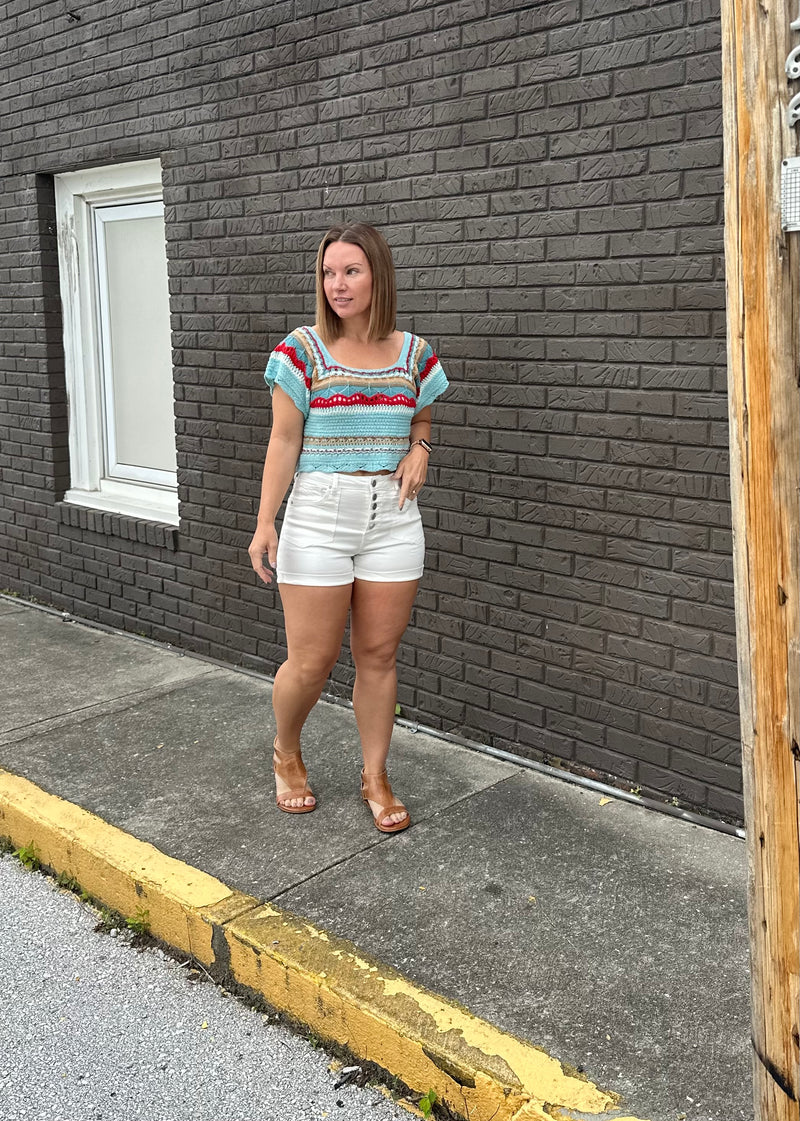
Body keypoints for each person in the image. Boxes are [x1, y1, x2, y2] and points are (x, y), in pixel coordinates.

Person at [248, 222, 449, 834]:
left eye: (351, 271)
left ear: (377, 275)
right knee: (311, 662)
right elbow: (284, 441)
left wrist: (421, 448)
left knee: (379, 655)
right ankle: (286, 750)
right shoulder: (301, 351)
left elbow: (422, 423)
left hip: (392, 517)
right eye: (329, 273)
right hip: (318, 514)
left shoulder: (415, 353)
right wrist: (265, 524)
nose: (338, 284)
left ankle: (375, 776)